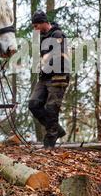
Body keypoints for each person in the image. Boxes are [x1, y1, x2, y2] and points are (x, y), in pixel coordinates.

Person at [28, 10, 70, 149]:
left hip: (58, 76)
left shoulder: (58, 34)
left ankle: (49, 144)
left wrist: (47, 61)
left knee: (52, 108)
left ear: (43, 23)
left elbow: (60, 55)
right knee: (34, 104)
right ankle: (56, 129)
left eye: (36, 26)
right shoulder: (42, 37)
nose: (35, 29)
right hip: (44, 77)